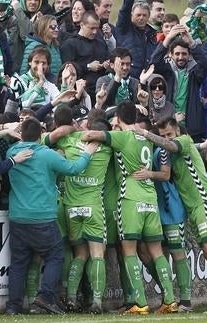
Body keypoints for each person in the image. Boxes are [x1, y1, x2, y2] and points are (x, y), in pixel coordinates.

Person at [134, 117, 207, 314]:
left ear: (178, 133)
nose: (166, 138)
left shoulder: (183, 141)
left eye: (169, 134)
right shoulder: (180, 147)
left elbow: (175, 146)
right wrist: (204, 145)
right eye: (163, 135)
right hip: (194, 206)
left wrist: (147, 134)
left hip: (204, 200)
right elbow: (179, 148)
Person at [81, 102, 177, 315]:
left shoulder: (121, 137)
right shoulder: (147, 139)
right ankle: (170, 300)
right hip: (150, 198)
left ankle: (140, 303)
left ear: (118, 119)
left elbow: (90, 136)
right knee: (156, 251)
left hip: (130, 198)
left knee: (129, 250)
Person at [5, 117, 98, 315]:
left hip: (18, 217)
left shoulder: (11, 152)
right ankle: (45, 297)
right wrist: (87, 153)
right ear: (41, 135)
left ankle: (13, 306)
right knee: (55, 255)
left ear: (21, 135)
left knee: (19, 262)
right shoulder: (47, 155)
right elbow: (73, 169)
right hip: (42, 217)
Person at [42, 107, 112, 313]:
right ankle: (97, 302)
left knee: (79, 255)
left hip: (72, 208)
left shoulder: (70, 141)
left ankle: (71, 298)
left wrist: (66, 129)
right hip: (93, 206)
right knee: (97, 254)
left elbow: (47, 139)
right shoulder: (108, 148)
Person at [150, 26, 207, 140]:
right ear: (171, 54)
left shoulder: (195, 72)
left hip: (191, 128)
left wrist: (192, 43)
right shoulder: (167, 71)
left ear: (189, 55)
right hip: (168, 125)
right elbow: (153, 62)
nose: (181, 57)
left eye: (184, 54)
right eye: (177, 54)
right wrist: (168, 38)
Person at [60, 11, 110, 101]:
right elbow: (67, 69)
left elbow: (108, 59)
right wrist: (88, 66)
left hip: (102, 89)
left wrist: (107, 64)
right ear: (82, 25)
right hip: (81, 91)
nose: (95, 32)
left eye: (97, 28)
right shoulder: (70, 44)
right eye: (91, 28)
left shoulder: (101, 43)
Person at [115, 0, 158, 78]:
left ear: (148, 16)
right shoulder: (124, 28)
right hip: (127, 78)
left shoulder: (152, 35)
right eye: (138, 15)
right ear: (132, 15)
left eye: (144, 15)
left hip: (146, 80)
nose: (141, 18)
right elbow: (125, 11)